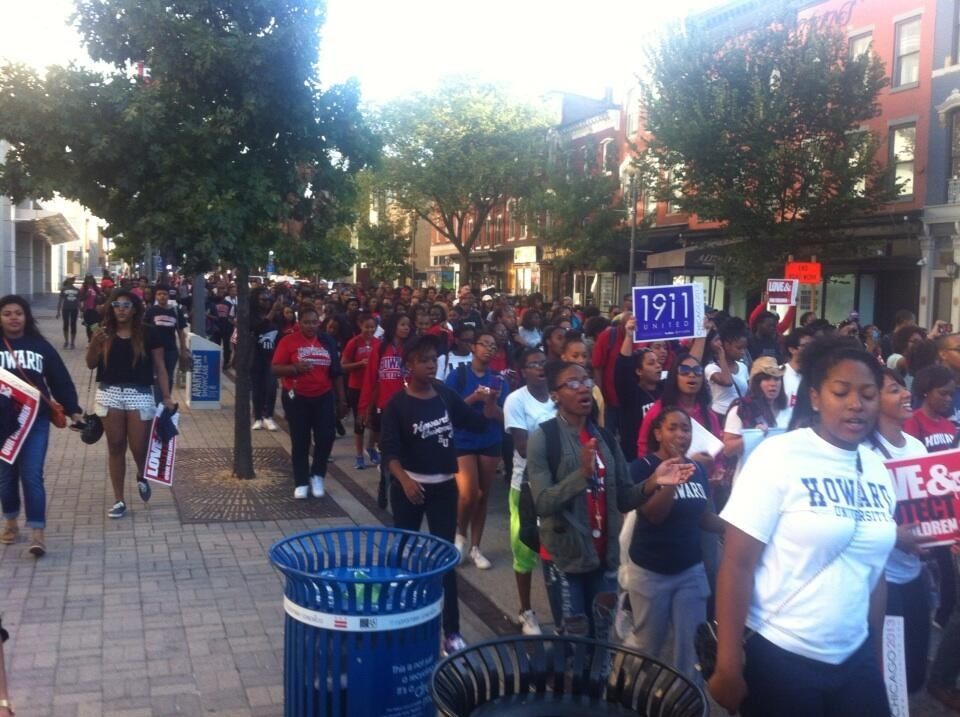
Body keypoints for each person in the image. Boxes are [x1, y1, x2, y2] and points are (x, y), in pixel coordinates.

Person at [708, 336, 896, 716]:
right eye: (841, 392)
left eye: (868, 394)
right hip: (781, 653)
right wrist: (729, 662)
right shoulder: (779, 457)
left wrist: (875, 653)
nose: (856, 404)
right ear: (814, 398)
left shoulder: (877, 468)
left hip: (854, 657)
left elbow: (874, 573)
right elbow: (737, 563)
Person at [380, 335, 497, 656]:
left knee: (444, 562)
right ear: (409, 366)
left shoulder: (445, 395)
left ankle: (452, 633)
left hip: (444, 488)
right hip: (409, 491)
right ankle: (396, 620)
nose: (431, 365)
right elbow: (388, 451)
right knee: (402, 557)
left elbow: (473, 423)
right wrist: (404, 480)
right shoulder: (397, 405)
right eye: (424, 360)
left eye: (434, 359)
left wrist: (488, 404)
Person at [526, 361, 648, 640]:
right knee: (574, 641)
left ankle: (597, 684)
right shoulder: (544, 437)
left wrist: (654, 483)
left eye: (587, 382)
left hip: (604, 558)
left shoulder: (604, 437)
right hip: (565, 558)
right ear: (555, 395)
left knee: (602, 638)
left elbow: (625, 498)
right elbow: (543, 503)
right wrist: (582, 475)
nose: (583, 389)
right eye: (572, 383)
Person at [624, 407, 724, 680]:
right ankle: (620, 683)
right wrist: (670, 482)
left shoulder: (698, 469)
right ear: (658, 432)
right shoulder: (642, 468)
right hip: (650, 572)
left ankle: (687, 704)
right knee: (647, 646)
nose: (681, 434)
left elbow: (703, 516)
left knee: (692, 649)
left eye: (686, 429)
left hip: (690, 571)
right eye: (673, 428)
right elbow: (654, 516)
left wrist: (736, 529)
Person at [0, 295, 83, 556]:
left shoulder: (40, 346)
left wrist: (74, 411)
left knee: (32, 474)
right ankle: (11, 523)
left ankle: (38, 534)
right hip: (2, 425)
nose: (13, 317)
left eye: (19, 313)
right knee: (5, 477)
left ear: (26, 317)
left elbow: (60, 379)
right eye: (7, 313)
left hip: (34, 421)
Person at [86, 289, 175, 519]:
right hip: (110, 393)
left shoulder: (149, 333)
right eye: (116, 304)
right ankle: (119, 500)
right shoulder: (103, 333)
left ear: (134, 308)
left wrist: (166, 396)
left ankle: (141, 474)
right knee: (115, 446)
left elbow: (161, 368)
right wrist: (95, 344)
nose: (121, 309)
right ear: (111, 308)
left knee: (139, 447)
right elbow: (90, 364)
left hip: (140, 393)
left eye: (126, 305)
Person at [869, 368, 930, 695]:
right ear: (874, 400)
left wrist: (941, 535)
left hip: (916, 573)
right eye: (894, 390)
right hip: (883, 580)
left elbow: (931, 506)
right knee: (889, 673)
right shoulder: (866, 455)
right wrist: (897, 537)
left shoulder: (918, 448)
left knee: (916, 666)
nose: (906, 393)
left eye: (902, 387)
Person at [502, 348, 556, 635]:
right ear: (523, 372)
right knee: (524, 550)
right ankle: (525, 610)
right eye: (534, 364)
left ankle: (563, 611)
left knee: (558, 550)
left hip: (559, 484)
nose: (540, 367)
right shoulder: (515, 401)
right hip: (526, 486)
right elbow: (523, 447)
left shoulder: (558, 397)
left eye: (543, 362)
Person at [272, 307, 347, 499]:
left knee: (326, 437)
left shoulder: (327, 341)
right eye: (306, 322)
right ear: (300, 323)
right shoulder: (288, 341)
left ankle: (318, 475)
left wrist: (342, 399)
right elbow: (275, 369)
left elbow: (336, 372)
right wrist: (294, 368)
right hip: (297, 397)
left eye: (314, 322)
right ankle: (301, 481)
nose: (310, 326)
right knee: (300, 440)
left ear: (319, 322)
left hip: (323, 396)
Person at [447, 329, 506, 569]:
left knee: (484, 494)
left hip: (489, 439)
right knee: (469, 493)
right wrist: (474, 397)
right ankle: (460, 535)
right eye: (485, 344)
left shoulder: (499, 380)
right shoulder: (458, 376)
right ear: (474, 347)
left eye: (494, 346)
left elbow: (503, 416)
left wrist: (491, 403)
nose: (489, 349)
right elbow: (449, 408)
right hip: (462, 440)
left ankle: (476, 547)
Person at [637, 355, 722, 459]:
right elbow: (644, 448)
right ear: (674, 376)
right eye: (684, 370)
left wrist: (718, 469)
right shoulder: (658, 410)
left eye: (697, 371)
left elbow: (717, 455)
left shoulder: (709, 415)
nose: (691, 375)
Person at [359, 313, 412, 467]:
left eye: (408, 325)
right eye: (402, 324)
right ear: (393, 327)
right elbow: (370, 380)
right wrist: (363, 408)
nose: (406, 328)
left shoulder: (411, 349)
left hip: (408, 404)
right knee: (388, 446)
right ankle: (386, 478)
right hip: (385, 405)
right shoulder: (380, 349)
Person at [722, 356, 790, 463]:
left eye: (776, 379)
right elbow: (727, 449)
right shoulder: (741, 409)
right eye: (767, 378)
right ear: (756, 382)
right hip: (751, 473)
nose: (773, 383)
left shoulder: (788, 410)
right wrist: (753, 436)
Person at [615, 316, 663, 462]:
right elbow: (623, 367)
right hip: (636, 459)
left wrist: (701, 335)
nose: (658, 366)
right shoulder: (630, 393)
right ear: (638, 371)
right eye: (651, 363)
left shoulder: (665, 389)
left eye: (658, 362)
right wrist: (629, 336)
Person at [341, 313, 379, 470]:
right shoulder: (354, 342)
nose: (370, 330)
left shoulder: (378, 343)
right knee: (359, 422)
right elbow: (343, 365)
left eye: (373, 327)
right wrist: (359, 364)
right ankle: (358, 455)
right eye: (367, 327)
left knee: (376, 422)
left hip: (374, 388)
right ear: (360, 326)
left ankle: (370, 447)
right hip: (356, 387)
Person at [144, 284, 189, 405]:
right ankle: (157, 402)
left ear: (168, 296)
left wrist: (183, 350)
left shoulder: (175, 311)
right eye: (159, 294)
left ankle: (165, 400)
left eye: (164, 294)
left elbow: (181, 332)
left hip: (170, 350)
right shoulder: (150, 311)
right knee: (156, 376)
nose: (162, 296)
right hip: (154, 350)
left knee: (168, 377)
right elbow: (144, 330)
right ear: (156, 296)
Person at [903, 365, 958, 452]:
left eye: (951, 394)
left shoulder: (950, 426)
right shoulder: (912, 421)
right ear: (926, 391)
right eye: (943, 393)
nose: (948, 399)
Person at [704, 318, 750, 423]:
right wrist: (721, 353)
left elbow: (748, 393)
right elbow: (727, 381)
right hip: (720, 417)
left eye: (744, 348)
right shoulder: (711, 368)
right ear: (726, 345)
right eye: (739, 348)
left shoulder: (743, 367)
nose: (743, 352)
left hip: (740, 416)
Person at [250, 290, 280, 431]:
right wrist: (271, 313)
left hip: (272, 357)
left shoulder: (277, 318)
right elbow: (257, 328)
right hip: (256, 356)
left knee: (271, 387)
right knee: (257, 389)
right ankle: (258, 417)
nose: (266, 302)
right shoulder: (252, 316)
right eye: (262, 299)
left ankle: (268, 416)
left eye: (268, 299)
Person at [782, 328, 813, 410]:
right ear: (792, 349)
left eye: (812, 345)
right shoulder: (779, 373)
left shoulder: (816, 374)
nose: (811, 349)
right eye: (805, 346)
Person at [56, 277, 80, 349]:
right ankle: (66, 341)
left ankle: (72, 342)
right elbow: (60, 301)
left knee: (73, 325)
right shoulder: (64, 289)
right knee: (65, 324)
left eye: (73, 279)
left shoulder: (77, 290)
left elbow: (78, 301)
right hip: (65, 309)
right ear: (68, 280)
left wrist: (81, 310)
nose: (72, 280)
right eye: (71, 279)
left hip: (74, 309)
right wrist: (58, 311)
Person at [79, 275, 102, 342]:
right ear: (86, 280)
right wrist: (86, 295)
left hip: (95, 310)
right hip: (87, 310)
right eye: (88, 279)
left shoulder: (96, 288)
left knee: (95, 325)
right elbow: (80, 298)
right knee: (89, 326)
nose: (90, 280)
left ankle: (94, 340)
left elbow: (101, 298)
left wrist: (98, 298)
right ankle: (90, 340)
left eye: (91, 279)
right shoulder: (83, 288)